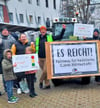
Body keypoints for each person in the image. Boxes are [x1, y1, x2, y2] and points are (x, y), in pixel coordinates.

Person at [36, 25, 66, 89]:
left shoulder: (49, 37)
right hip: (40, 58)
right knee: (44, 72)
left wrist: (63, 29)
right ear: (40, 31)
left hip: (47, 57)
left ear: (45, 31)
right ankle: (47, 85)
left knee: (45, 71)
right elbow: (36, 48)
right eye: (42, 30)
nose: (43, 31)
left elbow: (60, 37)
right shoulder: (38, 39)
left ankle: (40, 81)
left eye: (44, 30)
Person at [0, 27, 16, 93]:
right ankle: (6, 88)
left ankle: (12, 85)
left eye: (6, 30)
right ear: (1, 32)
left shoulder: (11, 38)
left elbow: (15, 45)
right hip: (2, 58)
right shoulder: (0, 39)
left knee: (12, 72)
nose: (5, 32)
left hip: (11, 58)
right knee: (4, 73)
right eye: (4, 31)